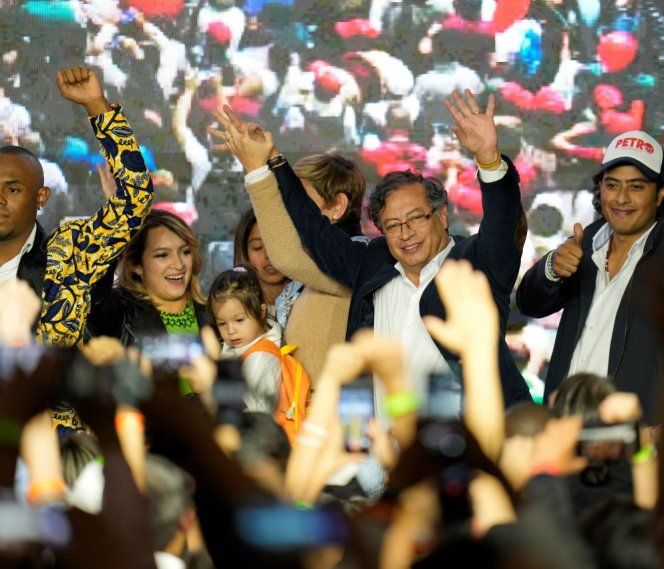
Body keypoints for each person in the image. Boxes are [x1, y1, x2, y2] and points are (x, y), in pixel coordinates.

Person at [212, 90, 531, 409]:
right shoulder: (373, 263)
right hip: (385, 444)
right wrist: (273, 161)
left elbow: (503, 224)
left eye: (415, 218)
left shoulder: (475, 263)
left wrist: (489, 160)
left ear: (442, 214)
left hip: (469, 441)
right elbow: (312, 226)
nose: (406, 234)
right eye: (392, 225)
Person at [516, 130, 664, 422]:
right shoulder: (579, 246)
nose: (621, 198)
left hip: (627, 439)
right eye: (612, 185)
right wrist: (551, 268)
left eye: (636, 187)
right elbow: (528, 303)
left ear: (660, 195)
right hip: (562, 431)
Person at [0, 66, 153, 347]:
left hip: (53, 389)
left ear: (41, 197)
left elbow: (135, 195)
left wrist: (97, 105)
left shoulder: (70, 253)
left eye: (13, 189)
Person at [228, 148, 366, 383]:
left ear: (337, 206)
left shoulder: (357, 257)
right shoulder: (309, 267)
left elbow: (285, 257)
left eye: (301, 201)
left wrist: (258, 172)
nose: (292, 209)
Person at [207, 266, 310, 441]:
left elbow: (256, 415)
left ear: (262, 312)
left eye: (239, 320)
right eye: (222, 324)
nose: (231, 330)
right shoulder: (242, 347)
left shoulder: (261, 357)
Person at [87, 209, 212, 346]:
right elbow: (94, 292)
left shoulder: (215, 312)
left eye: (185, 252)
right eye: (162, 255)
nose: (179, 264)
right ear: (136, 265)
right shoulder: (119, 313)